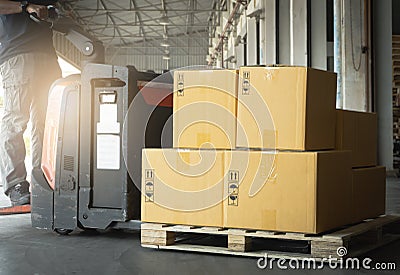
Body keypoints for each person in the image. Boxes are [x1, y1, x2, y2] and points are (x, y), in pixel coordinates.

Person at [0, 0, 61, 206]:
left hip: (48, 55)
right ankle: (16, 183)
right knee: (15, 122)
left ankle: (42, 180)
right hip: (18, 54)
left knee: (47, 125)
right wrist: (24, 6)